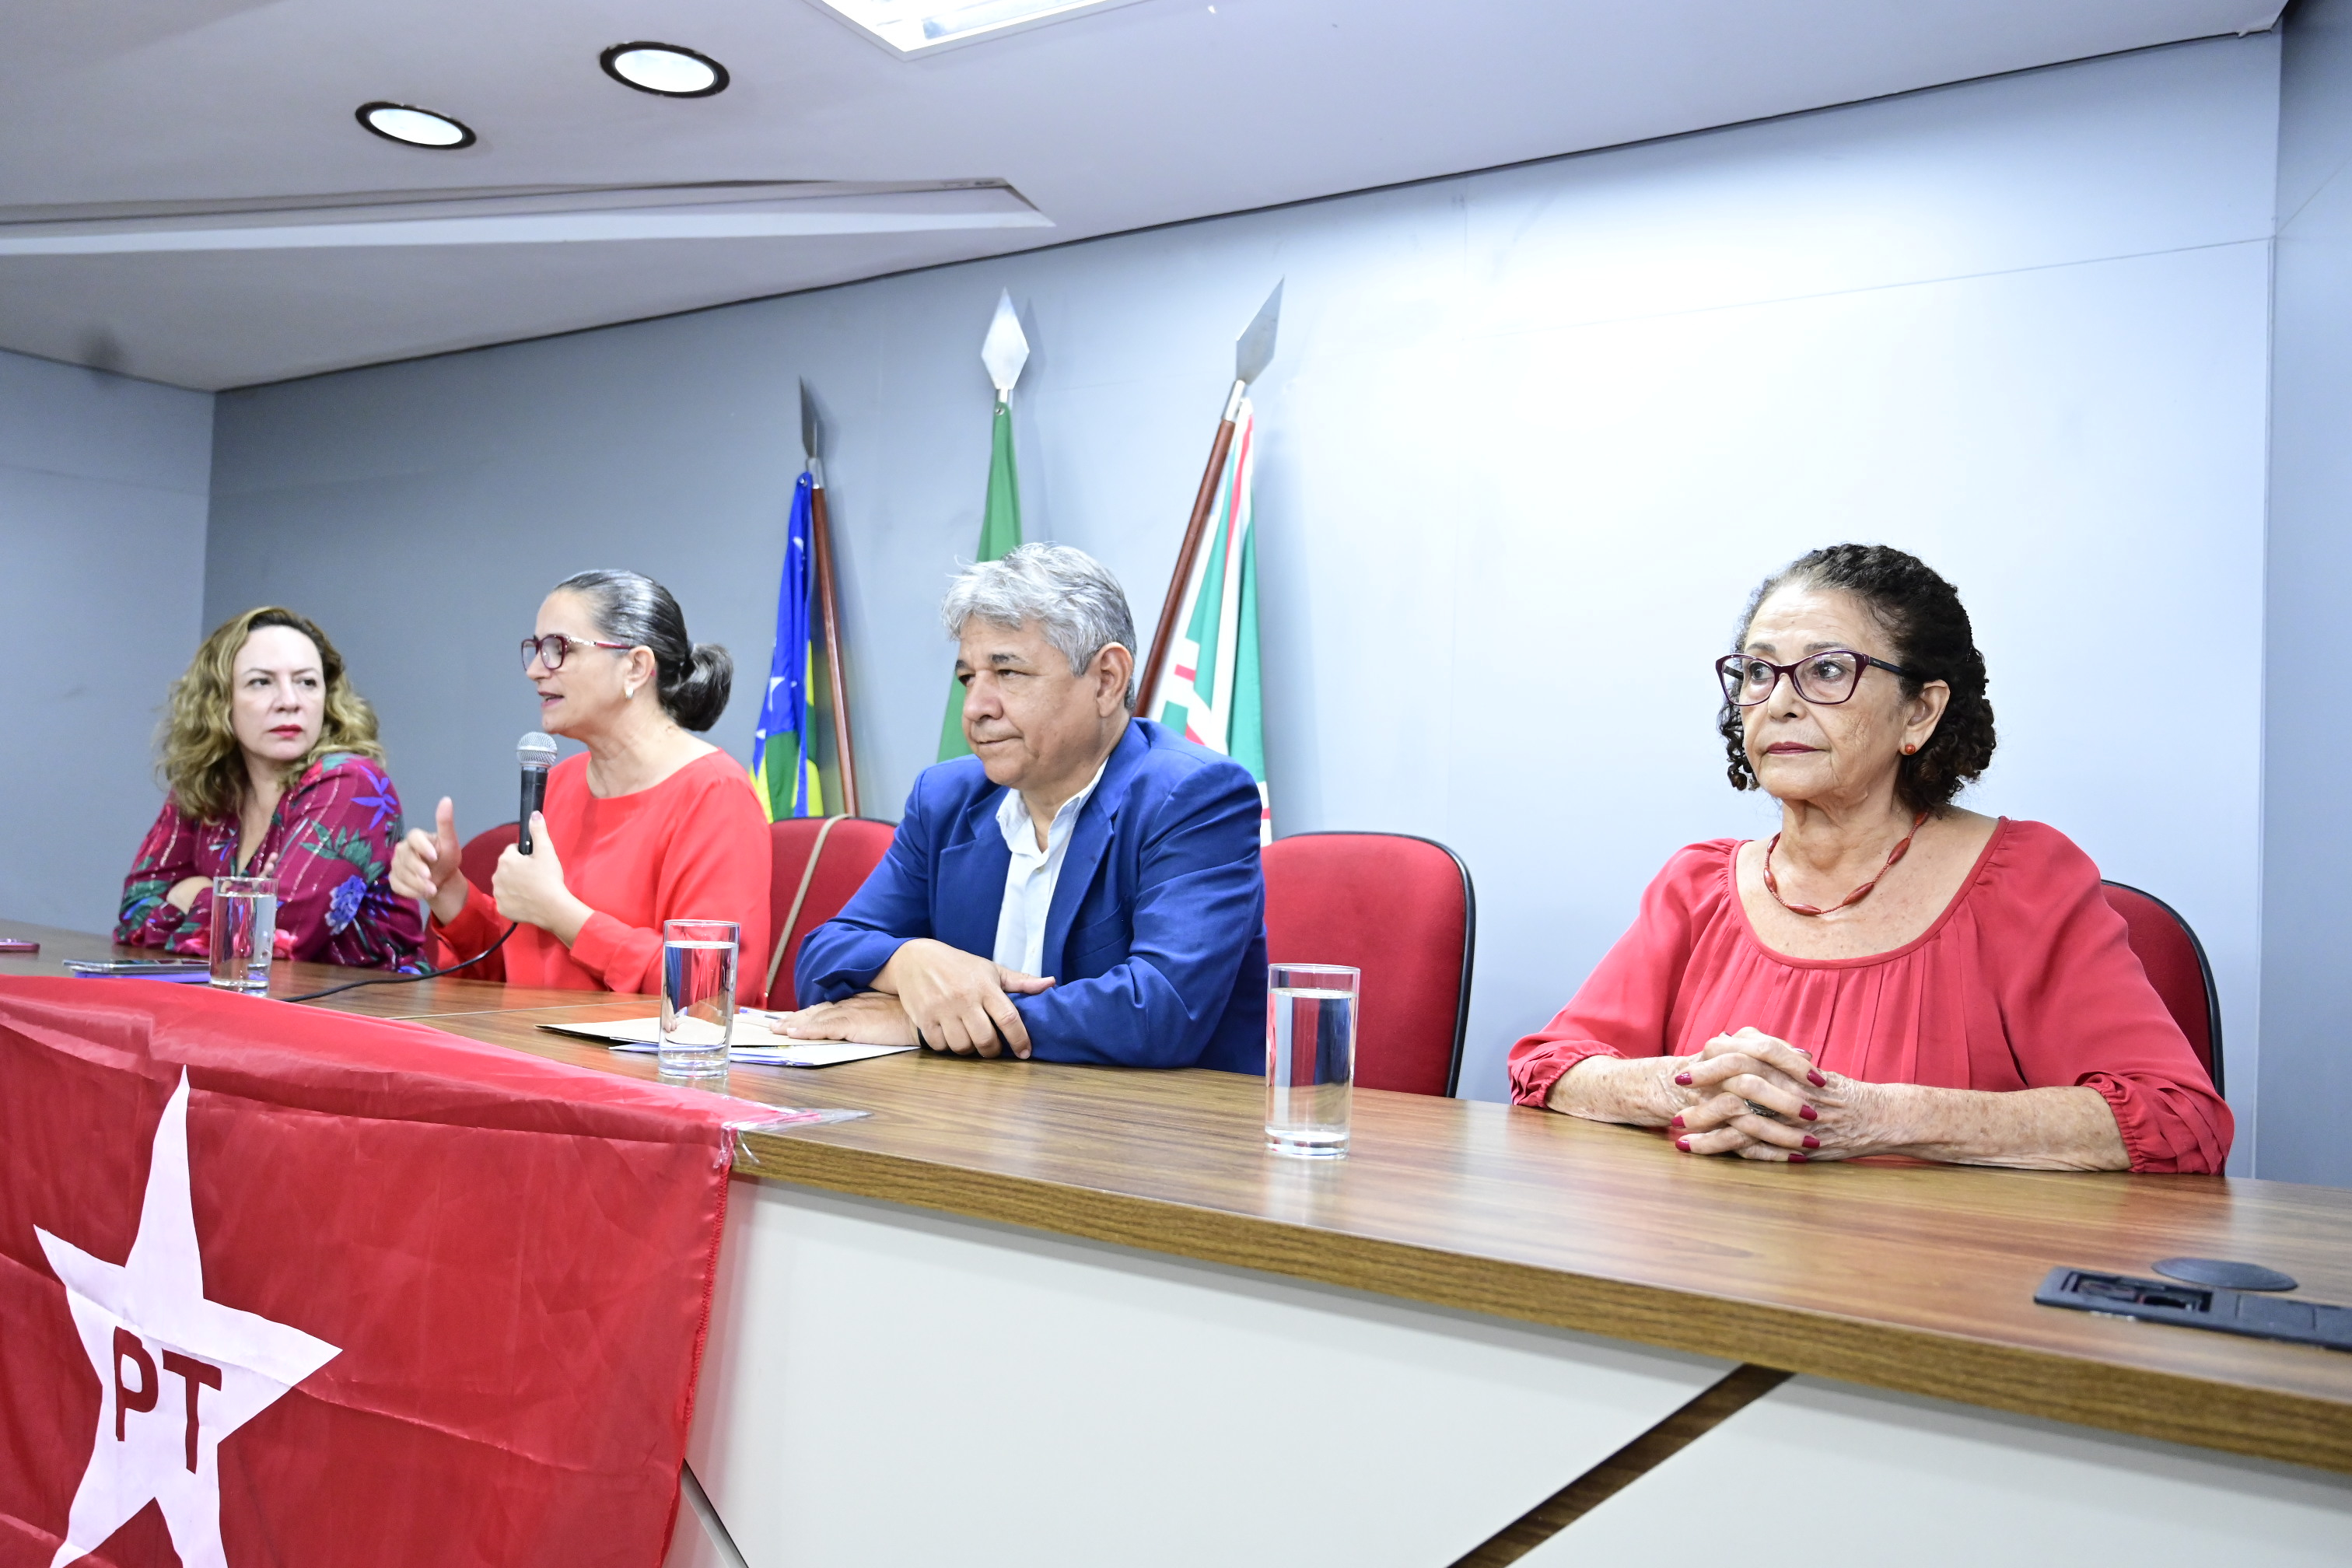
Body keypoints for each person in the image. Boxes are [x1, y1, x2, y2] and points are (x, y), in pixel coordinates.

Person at [1510, 543, 2231, 1174]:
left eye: (1827, 670)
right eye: (1758, 672)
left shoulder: (2029, 880)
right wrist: (1689, 1087)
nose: (1779, 702)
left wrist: (1875, 1118)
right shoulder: (1695, 885)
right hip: (1711, 1268)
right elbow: (1550, 1070)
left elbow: (2176, 1119)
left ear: (1920, 711)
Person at [782, 544, 1267, 1069]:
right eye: (968, 678)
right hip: (977, 1112)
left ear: (1106, 680)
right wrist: (906, 961)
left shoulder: (1194, 798)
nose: (975, 708)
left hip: (1152, 1118)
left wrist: (930, 1021)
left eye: (1008, 673)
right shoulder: (945, 799)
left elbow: (1159, 1011)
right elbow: (823, 960)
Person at [388, 570, 771, 1000]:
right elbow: (521, 973)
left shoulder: (715, 792)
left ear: (635, 667)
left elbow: (710, 991)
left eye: (559, 649)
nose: (535, 671)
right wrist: (446, 889)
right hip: (530, 1037)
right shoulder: (562, 781)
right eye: (536, 649)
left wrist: (563, 915)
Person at [117, 607, 424, 970]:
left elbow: (274, 937)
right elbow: (134, 912)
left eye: (307, 682)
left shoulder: (351, 782)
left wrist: (194, 893)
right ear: (220, 701)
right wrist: (241, 905)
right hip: (240, 997)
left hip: (364, 1002)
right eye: (261, 682)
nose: (289, 701)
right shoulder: (208, 783)